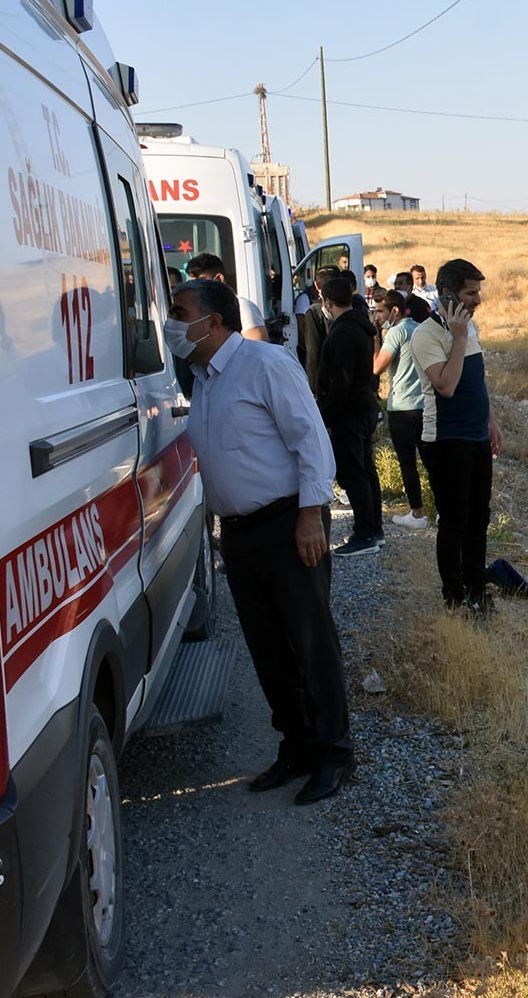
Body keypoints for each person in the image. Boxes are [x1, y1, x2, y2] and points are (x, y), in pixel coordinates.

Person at [167, 277, 353, 804]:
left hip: (288, 524)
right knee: (268, 649)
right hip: (242, 535)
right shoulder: (204, 378)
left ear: (215, 321)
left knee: (310, 642)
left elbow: (312, 442)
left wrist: (312, 515)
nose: (174, 324)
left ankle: (334, 755)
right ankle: (295, 746)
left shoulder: (265, 365)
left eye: (182, 314)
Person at [410, 257, 503, 614]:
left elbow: (475, 381)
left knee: (480, 517)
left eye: (478, 292)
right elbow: (446, 387)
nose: (477, 300)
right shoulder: (426, 335)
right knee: (454, 520)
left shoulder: (470, 328)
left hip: (476, 437)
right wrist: (459, 337)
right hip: (446, 441)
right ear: (447, 294)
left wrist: (490, 421)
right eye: (470, 293)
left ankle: (477, 589)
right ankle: (454, 597)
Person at [315, 272, 384, 557]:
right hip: (362, 407)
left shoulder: (343, 331)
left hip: (349, 412)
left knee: (353, 473)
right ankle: (374, 529)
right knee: (365, 470)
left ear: (327, 301)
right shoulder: (360, 325)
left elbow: (341, 380)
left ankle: (365, 533)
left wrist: (327, 417)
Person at [372, 287, 431, 531]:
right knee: (430, 460)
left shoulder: (396, 333)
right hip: (425, 404)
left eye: (380, 311)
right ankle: (441, 510)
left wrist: (375, 339)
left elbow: (377, 367)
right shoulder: (420, 329)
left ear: (394, 310)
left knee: (407, 462)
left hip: (402, 406)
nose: (378, 317)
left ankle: (417, 513)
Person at [185, 252, 268, 341]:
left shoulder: (242, 307)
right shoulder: (202, 310)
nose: (196, 288)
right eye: (192, 284)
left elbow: (257, 348)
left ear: (219, 279)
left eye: (200, 282)